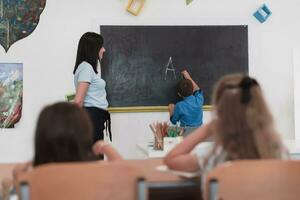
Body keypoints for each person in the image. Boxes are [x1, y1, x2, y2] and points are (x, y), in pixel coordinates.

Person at [164, 74, 289, 188]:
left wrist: (208, 128)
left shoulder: (215, 157)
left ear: (220, 114)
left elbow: (171, 159)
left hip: (187, 132)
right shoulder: (280, 153)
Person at [1, 102, 121, 199]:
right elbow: (125, 171)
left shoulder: (28, 181)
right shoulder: (102, 176)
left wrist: (18, 175)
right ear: (85, 134)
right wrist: (106, 147)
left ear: (42, 137)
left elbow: (13, 187)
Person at [73, 32, 111, 144]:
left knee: (94, 156)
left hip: (94, 118)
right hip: (92, 118)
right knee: (94, 158)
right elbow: (79, 100)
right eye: (101, 46)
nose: (103, 49)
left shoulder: (87, 68)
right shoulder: (86, 68)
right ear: (93, 48)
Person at [168, 70, 204, 136]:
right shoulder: (199, 99)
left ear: (179, 94)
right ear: (192, 89)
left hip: (185, 135)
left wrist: (171, 110)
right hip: (199, 135)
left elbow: (174, 121)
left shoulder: (179, 106)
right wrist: (188, 77)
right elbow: (198, 90)